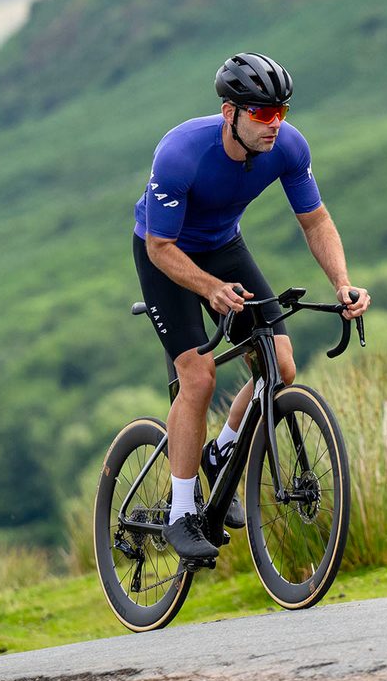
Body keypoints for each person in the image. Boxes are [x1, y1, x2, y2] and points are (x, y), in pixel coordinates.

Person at [132, 52, 371, 560]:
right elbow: (159, 248)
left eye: (281, 112)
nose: (274, 124)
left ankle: (221, 450)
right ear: (229, 113)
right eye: (262, 114)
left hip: (223, 245)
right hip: (165, 252)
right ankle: (180, 514)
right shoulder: (181, 154)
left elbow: (316, 221)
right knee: (197, 377)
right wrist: (208, 289)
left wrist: (343, 284)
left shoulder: (288, 147)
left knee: (279, 366)